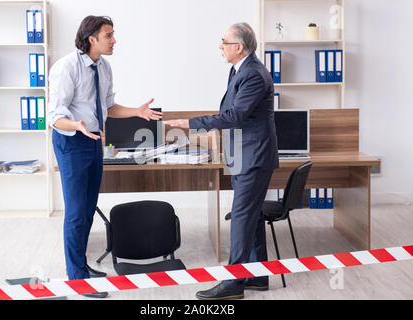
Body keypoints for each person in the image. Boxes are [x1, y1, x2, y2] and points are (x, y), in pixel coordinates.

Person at [48, 16, 162, 298]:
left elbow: (108, 106)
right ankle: (77, 278)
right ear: (92, 39)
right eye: (108, 35)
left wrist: (137, 111)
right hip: (72, 141)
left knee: (88, 209)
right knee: (75, 212)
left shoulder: (104, 67)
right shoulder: (66, 68)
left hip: (94, 141)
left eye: (113, 35)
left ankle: (82, 267)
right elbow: (54, 116)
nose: (114, 40)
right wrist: (76, 125)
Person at [165, 22, 279, 300]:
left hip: (253, 156)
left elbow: (233, 117)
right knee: (251, 215)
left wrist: (189, 123)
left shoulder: (253, 74)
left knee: (241, 217)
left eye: (224, 42)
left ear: (238, 47)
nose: (220, 46)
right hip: (244, 153)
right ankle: (257, 275)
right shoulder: (240, 69)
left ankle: (233, 283)